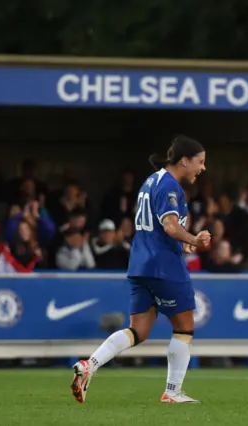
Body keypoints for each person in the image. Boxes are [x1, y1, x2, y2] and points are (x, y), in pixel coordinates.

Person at [70, 135, 211, 404]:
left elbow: (159, 229)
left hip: (140, 264)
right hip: (164, 267)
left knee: (138, 331)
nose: (202, 168)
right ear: (184, 161)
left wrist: (182, 244)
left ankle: (90, 365)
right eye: (200, 162)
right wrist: (192, 239)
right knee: (184, 327)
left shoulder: (150, 181)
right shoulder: (171, 187)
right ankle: (172, 392)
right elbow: (169, 225)